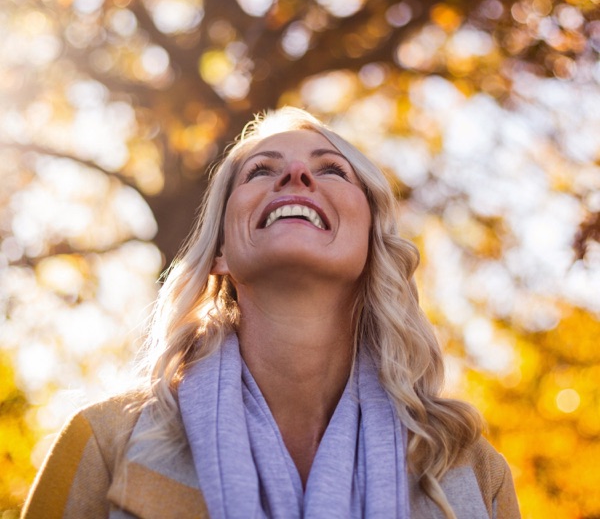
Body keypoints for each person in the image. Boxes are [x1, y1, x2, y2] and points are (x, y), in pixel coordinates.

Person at [22, 107, 520, 519]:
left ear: (372, 243)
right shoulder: (105, 443)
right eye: (260, 170)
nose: (296, 175)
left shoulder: (472, 472)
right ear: (219, 250)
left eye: (330, 169)